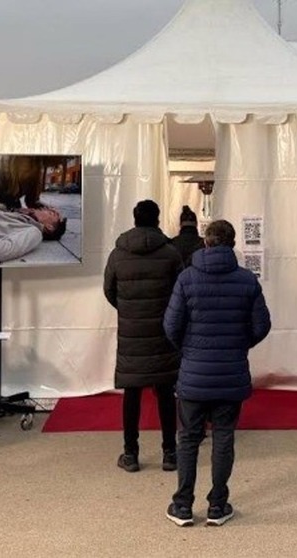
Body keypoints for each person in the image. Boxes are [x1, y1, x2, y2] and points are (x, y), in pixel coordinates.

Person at [163, 219, 271, 527]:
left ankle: (182, 505)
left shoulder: (186, 279)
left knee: (188, 439)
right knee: (224, 437)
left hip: (194, 375)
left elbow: (171, 326)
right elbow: (262, 325)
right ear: (233, 243)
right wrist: (239, 346)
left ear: (205, 243)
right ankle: (217, 505)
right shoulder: (247, 280)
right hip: (231, 372)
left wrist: (189, 351)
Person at [103, 200, 183, 474]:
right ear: (158, 219)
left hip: (131, 332)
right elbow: (180, 291)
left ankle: (131, 454)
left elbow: (109, 291)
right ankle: (170, 454)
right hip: (163, 332)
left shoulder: (117, 254)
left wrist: (129, 309)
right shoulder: (171, 253)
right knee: (165, 393)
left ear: (134, 219)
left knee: (132, 393)